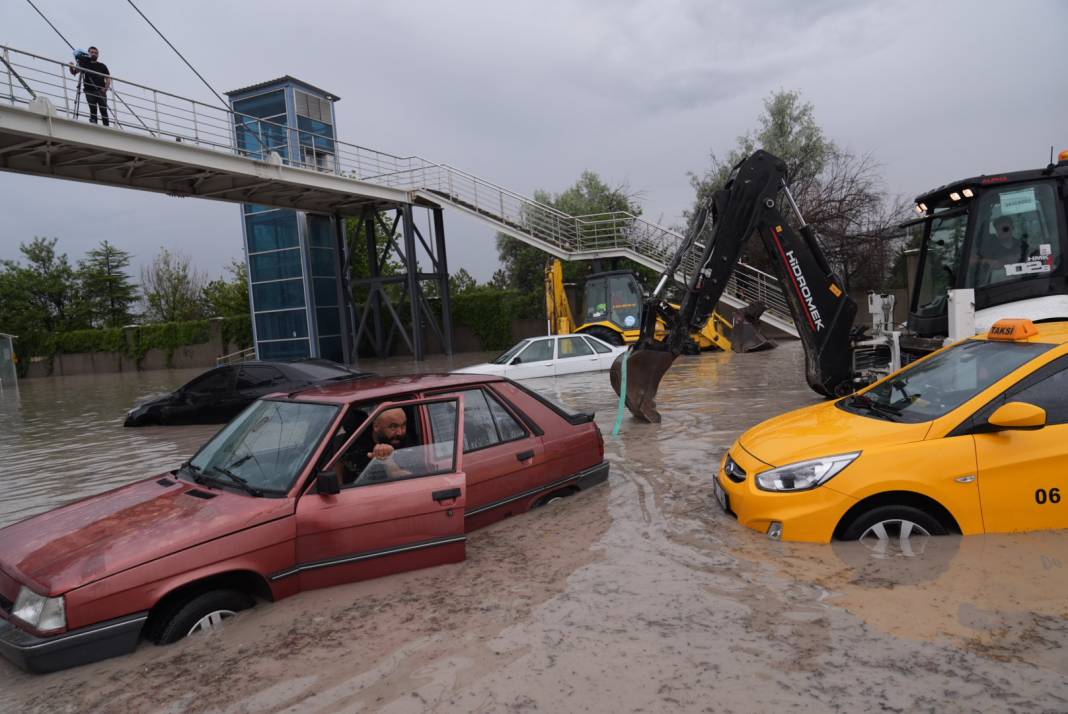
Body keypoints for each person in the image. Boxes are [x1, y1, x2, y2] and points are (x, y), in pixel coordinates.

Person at [69, 47, 111, 126]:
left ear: (98, 55)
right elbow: (74, 72)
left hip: (101, 91)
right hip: (89, 90)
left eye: (96, 53)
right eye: (92, 52)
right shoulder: (84, 64)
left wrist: (105, 89)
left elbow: (108, 78)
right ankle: (94, 126)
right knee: (93, 109)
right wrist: (71, 66)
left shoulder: (102, 66)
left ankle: (106, 127)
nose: (94, 54)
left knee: (103, 110)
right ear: (88, 53)